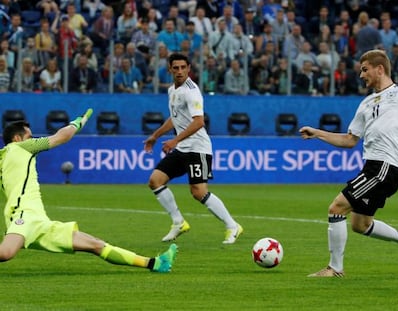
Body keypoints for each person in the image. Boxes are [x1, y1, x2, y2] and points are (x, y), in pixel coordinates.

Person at [0, 111, 177, 272]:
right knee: (6, 253)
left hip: (40, 222)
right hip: (25, 216)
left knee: (95, 244)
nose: (33, 139)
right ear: (17, 138)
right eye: (29, 136)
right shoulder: (20, 147)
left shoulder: (5, 158)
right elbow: (61, 137)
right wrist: (77, 123)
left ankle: (155, 263)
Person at [299, 49, 398, 277]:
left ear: (379, 69)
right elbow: (349, 140)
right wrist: (318, 133)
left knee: (336, 208)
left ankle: (335, 268)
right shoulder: (366, 103)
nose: (361, 75)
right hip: (372, 167)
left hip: (384, 166)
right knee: (360, 224)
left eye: (364, 70)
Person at [143, 53, 243, 244]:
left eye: (183, 67)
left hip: (198, 149)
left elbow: (199, 122)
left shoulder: (192, 91)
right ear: (170, 69)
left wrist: (174, 141)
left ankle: (232, 226)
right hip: (183, 148)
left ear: (189, 68)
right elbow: (175, 118)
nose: (180, 71)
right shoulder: (172, 90)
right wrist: (155, 136)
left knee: (198, 192)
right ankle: (178, 222)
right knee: (155, 180)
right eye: (176, 68)